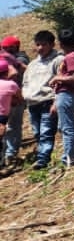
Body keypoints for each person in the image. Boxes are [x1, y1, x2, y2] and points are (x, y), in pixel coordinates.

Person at [20, 31, 61, 168]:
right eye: (38, 45)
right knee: (37, 132)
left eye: (43, 44)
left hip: (47, 100)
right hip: (33, 102)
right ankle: (42, 156)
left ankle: (43, 159)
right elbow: (25, 82)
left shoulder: (58, 60)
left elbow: (61, 82)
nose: (40, 48)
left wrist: (56, 100)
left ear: (52, 44)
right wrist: (25, 94)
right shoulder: (32, 64)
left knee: (46, 131)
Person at [49, 29, 74, 167]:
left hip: (68, 94)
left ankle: (70, 159)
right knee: (63, 126)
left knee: (67, 127)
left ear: (61, 43)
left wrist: (58, 77)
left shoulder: (71, 57)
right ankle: (69, 155)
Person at [0, 36, 27, 166]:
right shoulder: (9, 57)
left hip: (9, 96)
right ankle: (8, 155)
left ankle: (8, 155)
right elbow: (19, 70)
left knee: (10, 127)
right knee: (12, 127)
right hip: (11, 95)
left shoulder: (5, 57)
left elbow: (15, 71)